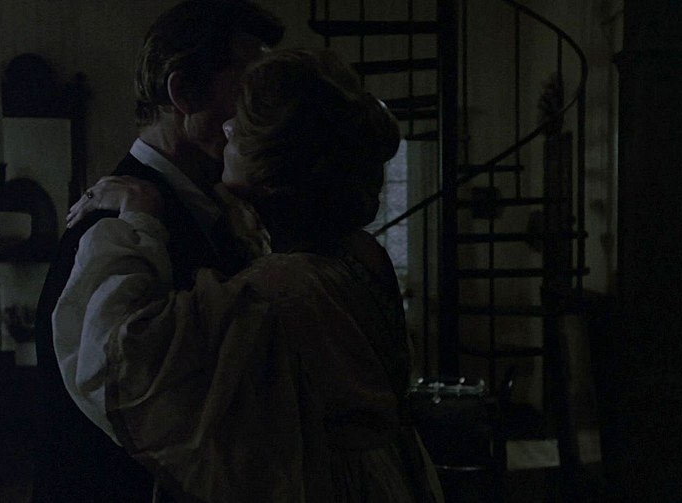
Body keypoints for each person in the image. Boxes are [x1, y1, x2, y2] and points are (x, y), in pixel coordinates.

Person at [54, 47, 444, 502]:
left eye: (240, 129)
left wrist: (140, 220)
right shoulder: (354, 252)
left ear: (276, 174)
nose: (226, 128)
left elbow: (123, 362)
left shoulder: (282, 290)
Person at [31, 1, 283, 501]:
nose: (260, 114)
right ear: (184, 92)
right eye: (247, 90)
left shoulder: (211, 210)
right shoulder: (112, 227)